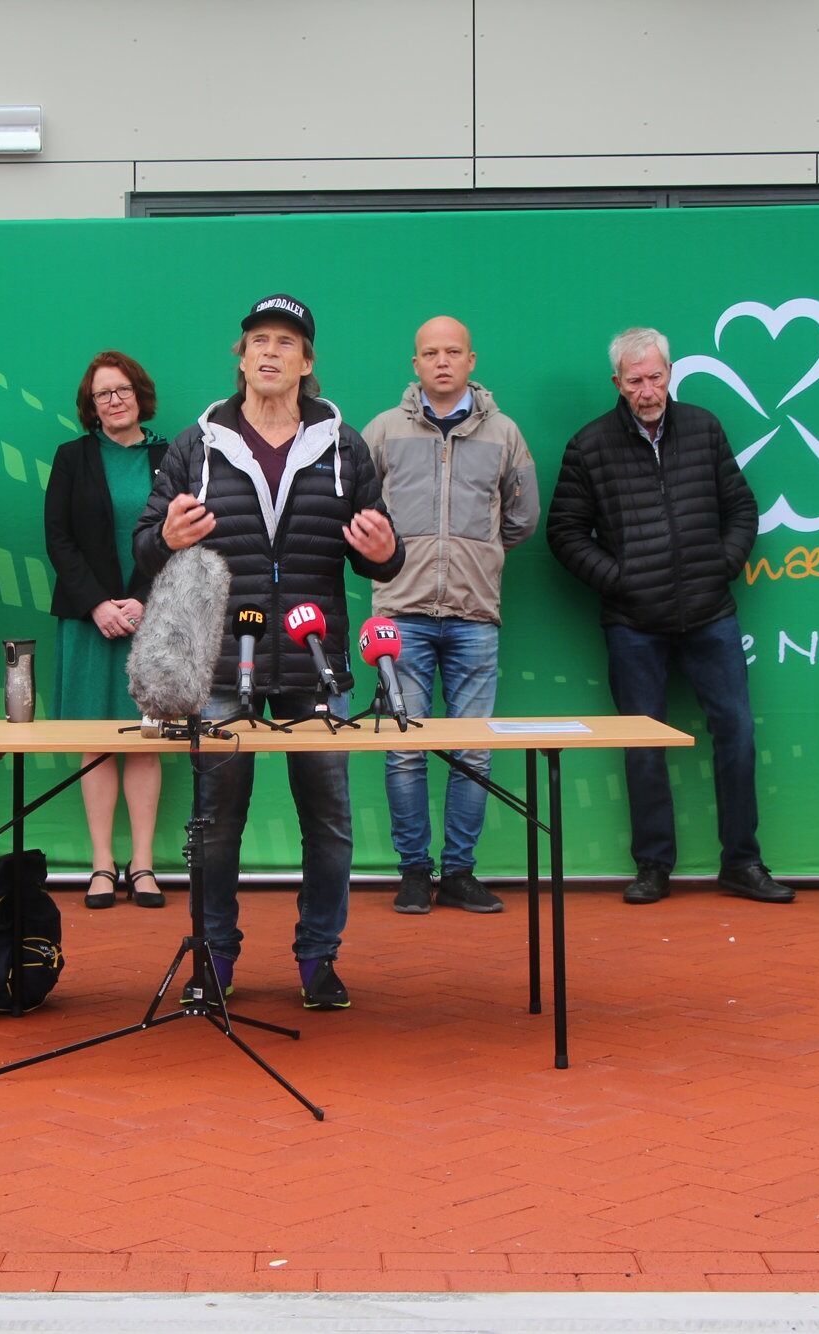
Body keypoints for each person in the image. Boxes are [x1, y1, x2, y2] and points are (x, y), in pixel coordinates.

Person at [135, 293, 404, 1010]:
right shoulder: (197, 446)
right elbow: (145, 547)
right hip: (225, 662)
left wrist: (387, 552)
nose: (270, 352)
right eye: (259, 339)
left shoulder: (344, 447)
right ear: (242, 355)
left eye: (286, 342)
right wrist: (166, 539)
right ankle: (215, 957)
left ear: (307, 362)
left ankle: (319, 959)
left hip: (316, 664)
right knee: (216, 823)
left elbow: (379, 554)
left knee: (330, 821)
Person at [547, 327, 791, 908]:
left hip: (711, 614)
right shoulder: (589, 445)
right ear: (617, 383)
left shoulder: (704, 428)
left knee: (737, 732)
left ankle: (743, 862)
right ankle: (653, 866)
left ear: (670, 374)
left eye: (656, 377)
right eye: (635, 381)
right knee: (643, 743)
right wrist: (622, 580)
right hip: (633, 623)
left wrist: (721, 566)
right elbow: (564, 532)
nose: (648, 390)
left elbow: (741, 508)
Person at [362, 315, 539, 916]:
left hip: (474, 614)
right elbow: (357, 512)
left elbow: (522, 519)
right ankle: (414, 873)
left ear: (471, 361)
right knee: (404, 750)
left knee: (473, 751)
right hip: (400, 613)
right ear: (415, 364)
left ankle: (460, 871)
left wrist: (476, 556)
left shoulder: (505, 434)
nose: (442, 361)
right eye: (430, 353)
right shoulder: (383, 431)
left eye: (453, 352)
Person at [45, 351, 168, 910]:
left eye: (122, 390)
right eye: (103, 394)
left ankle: (142, 865)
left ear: (140, 395)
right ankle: (101, 864)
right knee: (96, 743)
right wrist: (98, 604)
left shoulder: (171, 457)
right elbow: (58, 539)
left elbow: (180, 537)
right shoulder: (71, 458)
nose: (114, 401)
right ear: (90, 406)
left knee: (145, 741)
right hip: (88, 622)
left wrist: (141, 601)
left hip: (152, 620)